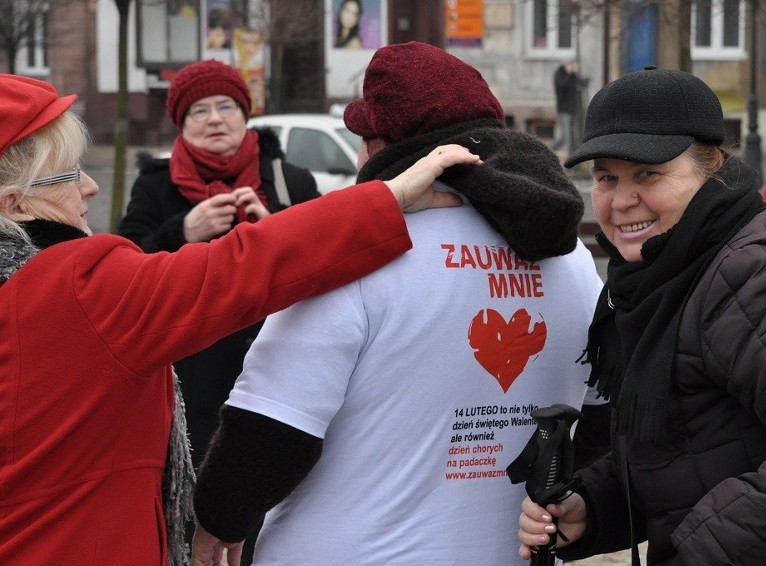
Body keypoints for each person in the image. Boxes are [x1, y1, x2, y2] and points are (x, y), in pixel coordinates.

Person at [0, 72, 477, 565]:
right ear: (13, 202)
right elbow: (244, 267)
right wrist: (389, 197)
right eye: (69, 174)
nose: (91, 186)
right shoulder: (67, 290)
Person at [191, 41, 606, 565]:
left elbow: (269, 434)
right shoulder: (570, 260)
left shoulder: (353, 259)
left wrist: (218, 519)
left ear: (382, 146)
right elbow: (596, 422)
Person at [518, 66, 766, 565]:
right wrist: (591, 508)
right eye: (607, 177)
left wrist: (702, 545)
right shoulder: (659, 277)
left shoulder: (754, 272)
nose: (623, 200)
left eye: (648, 173)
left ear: (711, 165)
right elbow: (687, 452)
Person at [118, 58, 323, 563]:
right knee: (194, 507)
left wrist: (274, 228)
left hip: (280, 367)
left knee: (275, 505)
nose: (215, 119)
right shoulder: (155, 187)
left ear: (245, 113)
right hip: (192, 376)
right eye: (199, 111)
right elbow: (121, 275)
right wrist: (180, 235)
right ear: (181, 125)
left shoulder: (289, 179)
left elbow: (327, 262)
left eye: (226, 106)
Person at [550, 59, 580, 154]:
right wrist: (568, 74)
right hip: (564, 110)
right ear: (565, 64)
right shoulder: (560, 75)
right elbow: (561, 85)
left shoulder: (571, 75)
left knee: (573, 138)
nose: (572, 67)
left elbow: (577, 82)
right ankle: (548, 150)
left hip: (572, 109)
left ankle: (572, 161)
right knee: (565, 137)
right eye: (570, 64)